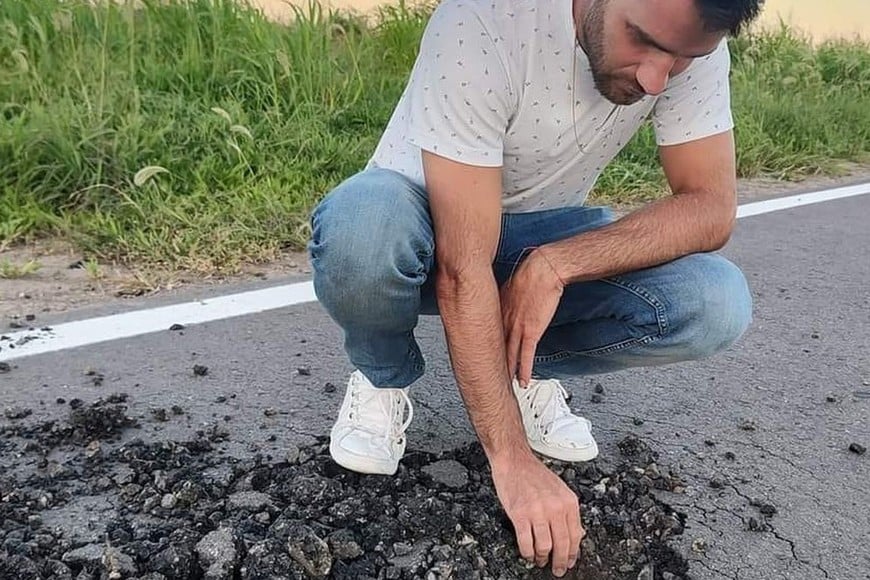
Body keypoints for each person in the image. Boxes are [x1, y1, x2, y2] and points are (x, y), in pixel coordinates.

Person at [308, 0, 760, 576]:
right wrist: (512, 460)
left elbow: (710, 207)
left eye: (682, 60)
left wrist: (556, 264)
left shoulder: (691, 45)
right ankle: (382, 373)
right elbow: (461, 267)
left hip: (539, 237)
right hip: (421, 232)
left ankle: (522, 369)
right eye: (641, 41)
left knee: (715, 301)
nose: (655, 78)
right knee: (362, 226)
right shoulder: (483, 19)